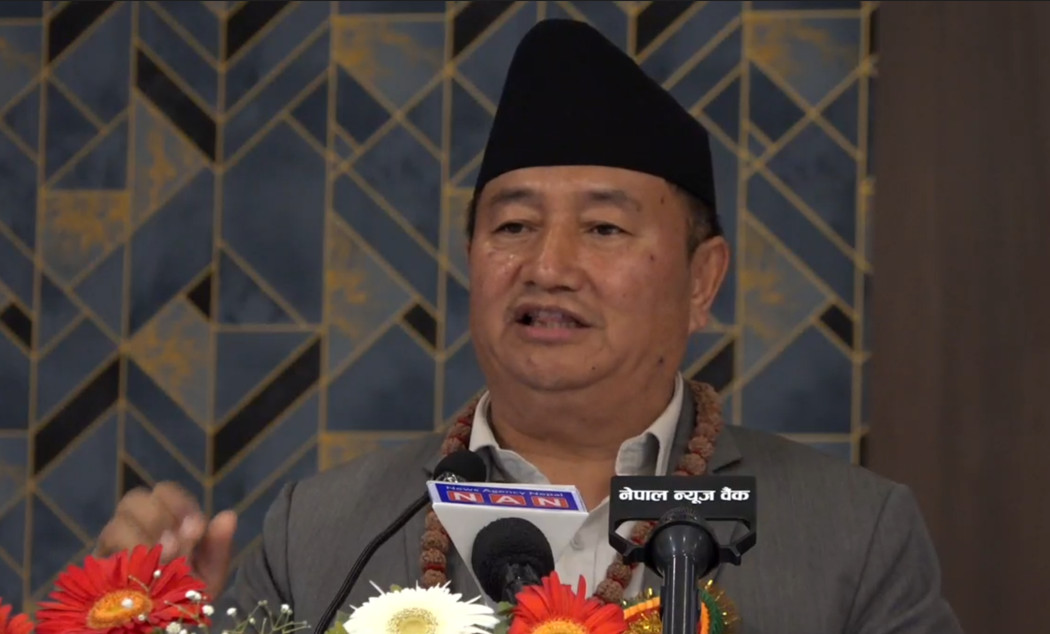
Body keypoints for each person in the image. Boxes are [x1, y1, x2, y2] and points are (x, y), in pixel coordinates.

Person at [95, 19, 962, 633]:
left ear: (702, 281)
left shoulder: (853, 536)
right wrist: (164, 624)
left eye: (604, 228)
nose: (548, 265)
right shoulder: (319, 535)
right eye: (513, 225)